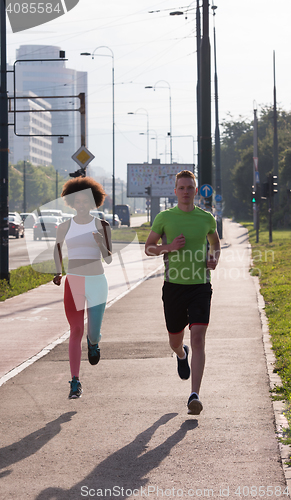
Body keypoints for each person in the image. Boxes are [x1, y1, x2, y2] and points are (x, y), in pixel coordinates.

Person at [145, 170, 220, 415]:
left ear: (196, 191)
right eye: (182, 187)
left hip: (200, 285)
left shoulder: (206, 218)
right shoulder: (164, 217)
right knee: (175, 340)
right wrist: (168, 247)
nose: (186, 191)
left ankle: (194, 395)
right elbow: (148, 248)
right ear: (175, 191)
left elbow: (215, 243)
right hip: (174, 287)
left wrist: (213, 258)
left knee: (198, 337)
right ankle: (180, 354)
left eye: (190, 187)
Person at [53, 177, 112, 399]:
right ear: (72, 203)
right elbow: (57, 249)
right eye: (77, 201)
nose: (81, 205)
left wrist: (100, 245)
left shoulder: (102, 226)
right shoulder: (65, 226)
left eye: (85, 201)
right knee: (76, 330)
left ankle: (94, 343)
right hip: (74, 281)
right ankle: (75, 381)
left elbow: (108, 260)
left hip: (97, 281)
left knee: (93, 333)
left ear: (92, 202)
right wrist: (58, 271)